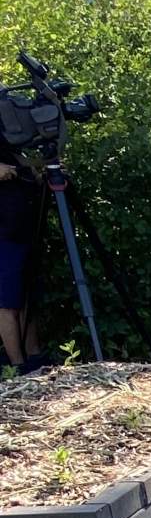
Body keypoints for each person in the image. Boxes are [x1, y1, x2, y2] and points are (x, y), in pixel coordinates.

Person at [0, 137, 46, 372]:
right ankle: (16, 367)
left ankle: (34, 357)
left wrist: (37, 166)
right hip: (3, 231)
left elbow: (14, 156)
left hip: (20, 223)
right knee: (6, 301)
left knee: (24, 294)